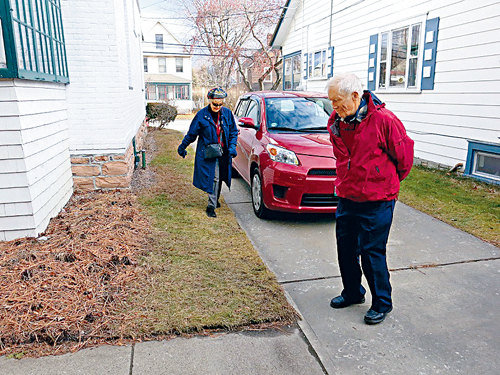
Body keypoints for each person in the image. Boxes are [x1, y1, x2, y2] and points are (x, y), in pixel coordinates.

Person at [326, 73, 414, 324]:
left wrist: (382, 182)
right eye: (331, 101)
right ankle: (353, 293)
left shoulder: (385, 120)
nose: (334, 107)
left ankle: (382, 303)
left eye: (338, 101)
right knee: (345, 248)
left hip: (378, 199)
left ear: (355, 96)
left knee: (371, 251)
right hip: (347, 195)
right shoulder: (337, 121)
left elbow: (404, 159)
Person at [177, 87, 238, 218]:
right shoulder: (201, 115)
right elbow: (191, 134)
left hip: (224, 152)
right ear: (209, 100)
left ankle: (215, 199)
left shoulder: (227, 114)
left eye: (220, 104)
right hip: (209, 152)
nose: (218, 106)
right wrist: (182, 147)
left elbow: (233, 131)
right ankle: (211, 206)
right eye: (215, 104)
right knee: (214, 178)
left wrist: (232, 146)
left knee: (221, 176)